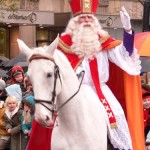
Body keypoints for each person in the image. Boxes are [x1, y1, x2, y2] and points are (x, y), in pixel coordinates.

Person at [27, 0, 144, 149]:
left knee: (118, 121)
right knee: (45, 116)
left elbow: (125, 54)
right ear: (75, 21)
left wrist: (128, 30)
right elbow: (46, 65)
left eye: (89, 17)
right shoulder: (62, 44)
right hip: (71, 89)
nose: (87, 20)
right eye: (83, 17)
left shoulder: (104, 42)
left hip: (100, 91)